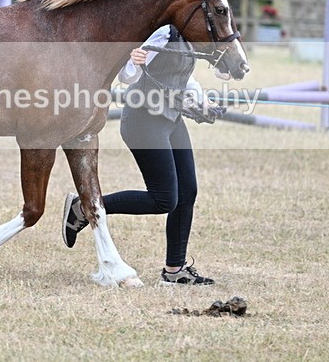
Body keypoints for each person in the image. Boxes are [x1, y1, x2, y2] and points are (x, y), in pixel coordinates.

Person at [62, 24, 225, 285]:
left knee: (187, 192)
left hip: (170, 118)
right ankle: (83, 207)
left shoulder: (189, 35)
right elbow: (127, 77)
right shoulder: (163, 33)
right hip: (144, 119)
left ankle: (174, 271)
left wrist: (202, 101)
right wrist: (135, 61)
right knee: (163, 200)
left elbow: (183, 78)